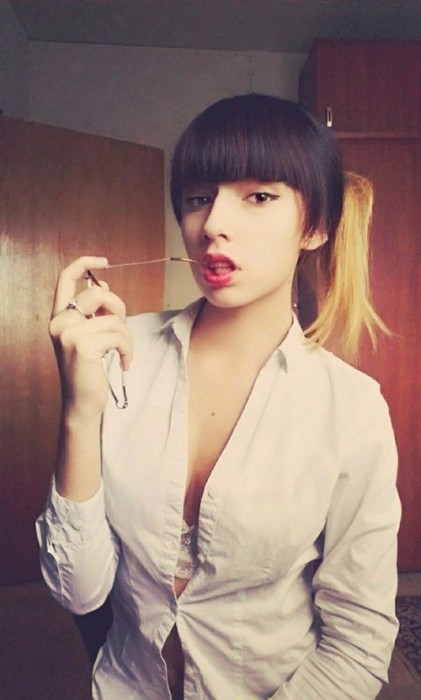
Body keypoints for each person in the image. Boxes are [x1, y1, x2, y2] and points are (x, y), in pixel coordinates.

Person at [36, 94, 401, 700]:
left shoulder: (352, 410)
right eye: (198, 197)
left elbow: (358, 643)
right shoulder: (120, 357)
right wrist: (79, 410)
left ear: (315, 227)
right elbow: (78, 592)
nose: (212, 225)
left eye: (259, 197)